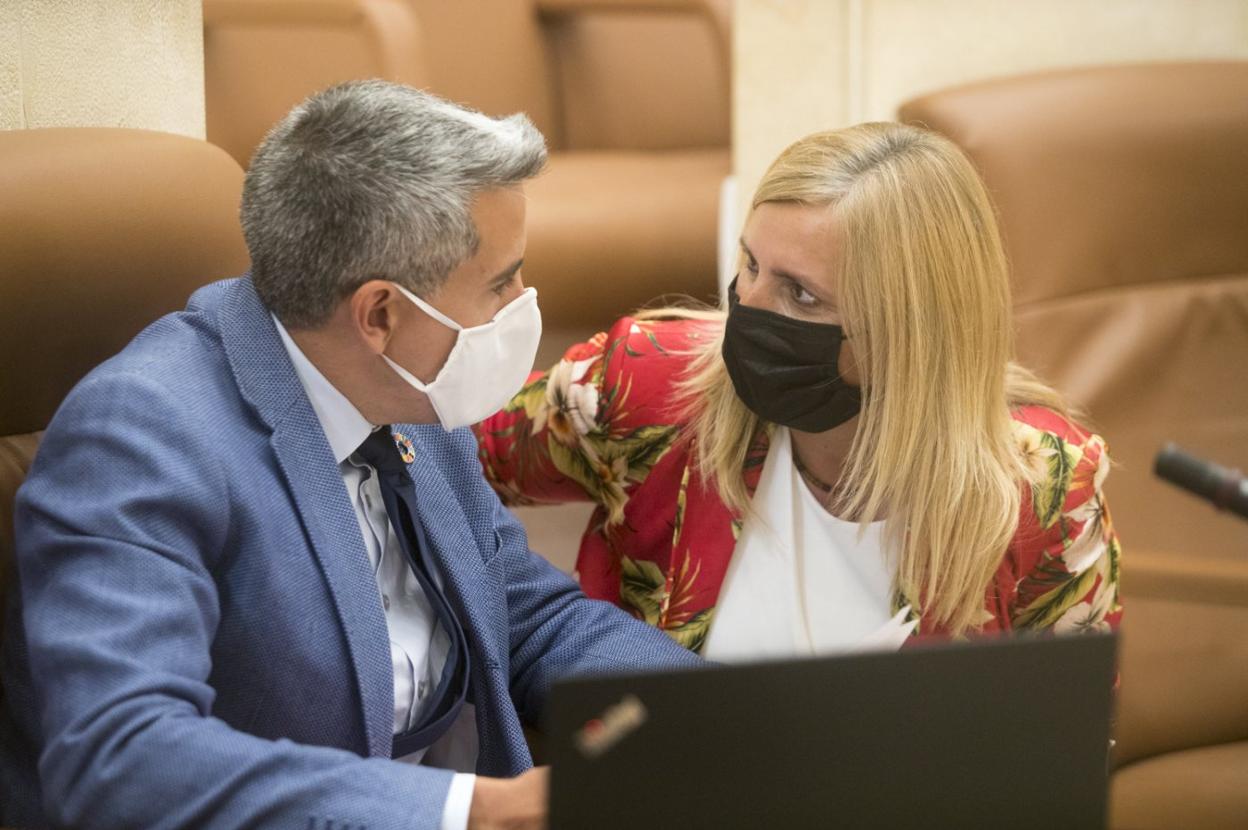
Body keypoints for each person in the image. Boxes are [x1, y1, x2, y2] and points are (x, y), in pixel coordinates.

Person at [0, 81, 699, 830]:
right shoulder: (137, 438)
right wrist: (471, 811)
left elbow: (524, 615)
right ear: (380, 314)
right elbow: (121, 759)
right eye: (501, 282)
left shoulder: (407, 391)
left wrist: (713, 721)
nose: (525, 302)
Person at [476, 123, 1123, 660]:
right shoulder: (650, 382)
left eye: (801, 294)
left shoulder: (1043, 488)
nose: (747, 312)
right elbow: (442, 454)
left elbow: (1065, 744)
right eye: (750, 266)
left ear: (907, 335)